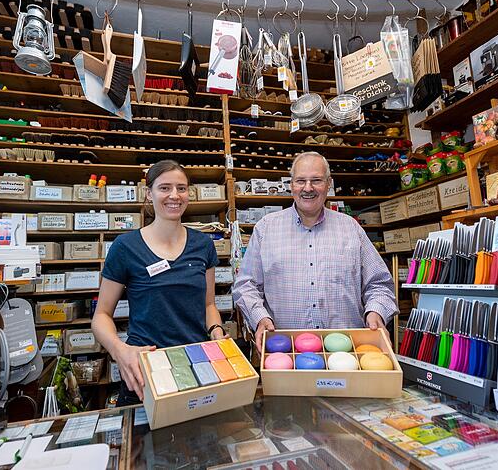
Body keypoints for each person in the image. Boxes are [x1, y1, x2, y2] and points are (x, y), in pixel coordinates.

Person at [92, 160, 227, 405]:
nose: (174, 195)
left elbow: (208, 306)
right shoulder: (125, 247)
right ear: (149, 193)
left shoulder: (203, 245)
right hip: (146, 369)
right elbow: (101, 315)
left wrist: (217, 333)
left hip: (197, 363)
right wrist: (118, 349)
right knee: (143, 441)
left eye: (181, 188)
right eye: (164, 188)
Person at [233, 151, 398, 351]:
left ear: (329, 184)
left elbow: (379, 284)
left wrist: (376, 313)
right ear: (291, 184)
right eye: (300, 181)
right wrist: (260, 317)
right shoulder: (265, 228)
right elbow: (246, 285)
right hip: (285, 351)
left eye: (316, 180)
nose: (308, 188)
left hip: (347, 352)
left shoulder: (351, 228)